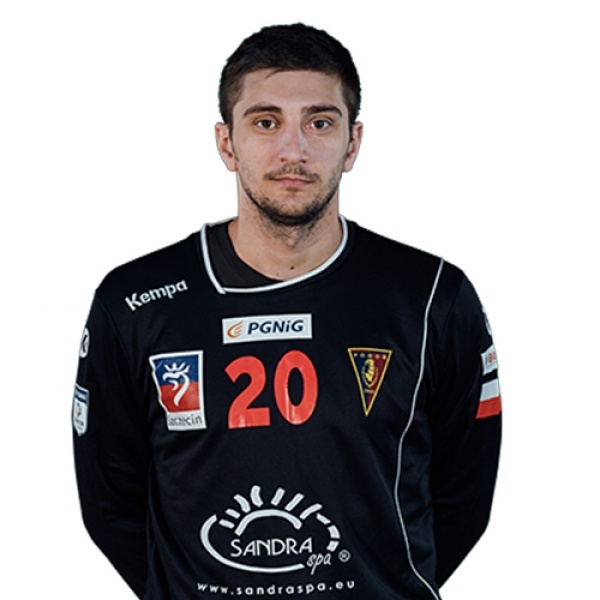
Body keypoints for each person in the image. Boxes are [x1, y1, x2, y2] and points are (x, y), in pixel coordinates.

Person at [73, 23, 501, 600]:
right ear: (227, 143)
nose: (294, 151)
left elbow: (464, 495)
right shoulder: (133, 302)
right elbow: (111, 501)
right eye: (266, 122)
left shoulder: (431, 297)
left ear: (352, 143)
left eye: (319, 123)